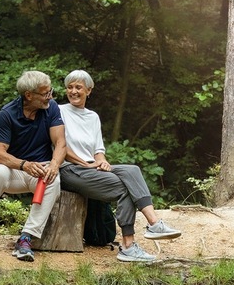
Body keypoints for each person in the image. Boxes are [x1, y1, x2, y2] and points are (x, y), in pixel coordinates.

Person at [57, 70, 181, 263]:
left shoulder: (93, 117)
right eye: (70, 87)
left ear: (88, 91)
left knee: (132, 170)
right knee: (126, 188)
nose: (73, 91)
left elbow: (98, 149)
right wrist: (87, 163)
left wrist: (102, 160)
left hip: (90, 167)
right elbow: (59, 147)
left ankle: (154, 224)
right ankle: (128, 245)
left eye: (78, 87)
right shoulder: (58, 112)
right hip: (69, 170)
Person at [0, 70, 67, 263]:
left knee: (54, 180)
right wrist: (23, 165)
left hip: (42, 170)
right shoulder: (7, 113)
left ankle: (26, 238)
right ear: (29, 95)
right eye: (45, 93)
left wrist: (54, 165)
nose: (50, 96)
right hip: (15, 170)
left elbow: (60, 143)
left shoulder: (51, 108)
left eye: (50, 91)